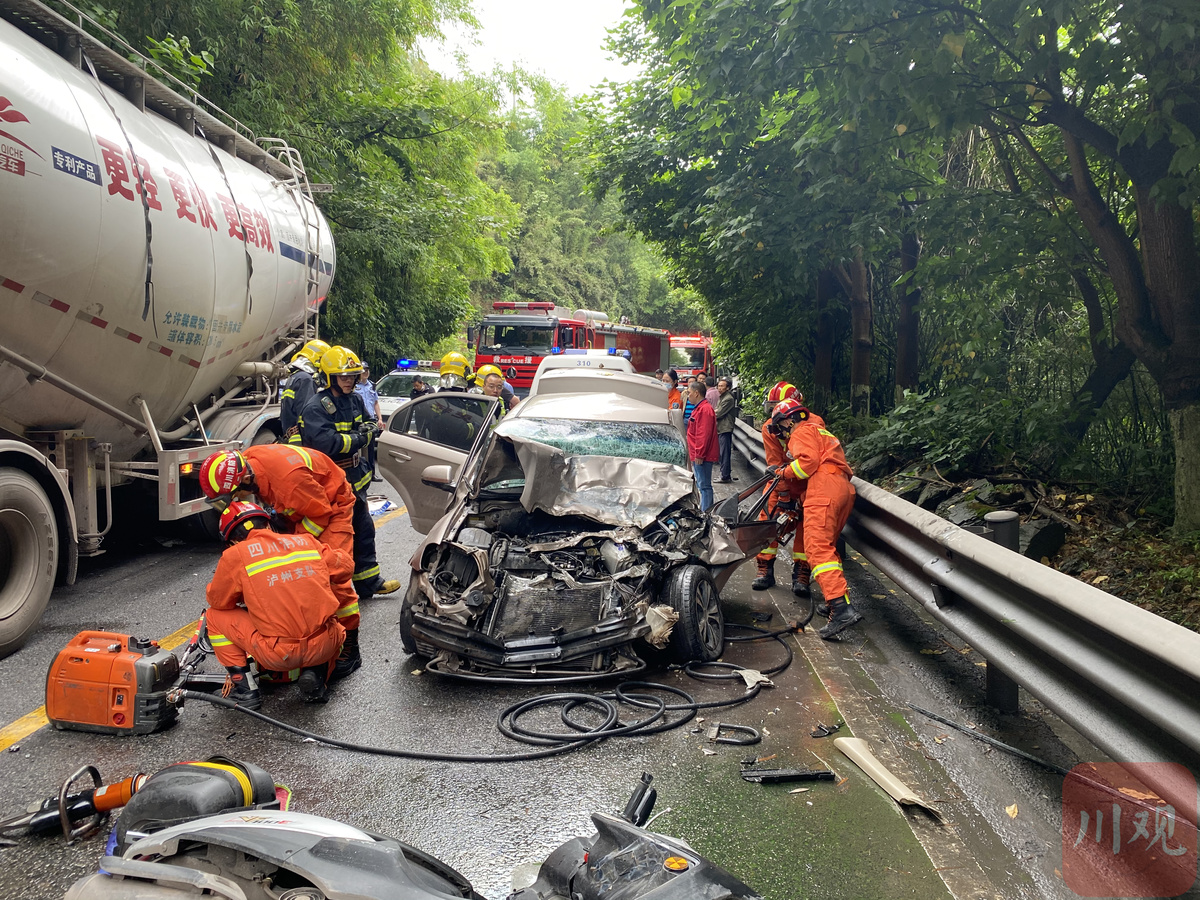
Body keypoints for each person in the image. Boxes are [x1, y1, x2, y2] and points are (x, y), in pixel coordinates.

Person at [198, 444, 364, 679]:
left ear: (244, 478)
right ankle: (314, 652)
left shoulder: (290, 481)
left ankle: (350, 649)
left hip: (331, 508)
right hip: (303, 503)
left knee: (334, 579)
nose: (234, 501)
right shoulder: (249, 461)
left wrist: (296, 548)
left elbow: (320, 514)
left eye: (235, 495)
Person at [205, 501, 354, 707]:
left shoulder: (236, 555)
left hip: (278, 654)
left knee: (213, 616)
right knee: (329, 620)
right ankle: (316, 675)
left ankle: (244, 690)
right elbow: (346, 568)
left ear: (232, 541)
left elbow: (218, 601)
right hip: (325, 645)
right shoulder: (305, 542)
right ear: (268, 525)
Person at [299, 346, 400, 601]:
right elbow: (328, 443)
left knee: (364, 530)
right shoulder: (316, 407)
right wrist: (359, 438)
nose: (349, 381)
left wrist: (364, 432)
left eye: (352, 376)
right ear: (329, 377)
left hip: (355, 480)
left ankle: (369, 583)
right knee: (335, 539)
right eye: (343, 377)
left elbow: (368, 423)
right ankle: (325, 591)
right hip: (329, 485)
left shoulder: (355, 399)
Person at [771, 396, 860, 640]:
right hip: (841, 488)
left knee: (817, 549)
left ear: (789, 421)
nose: (780, 431)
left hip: (824, 489)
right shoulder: (821, 431)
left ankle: (841, 609)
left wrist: (784, 472)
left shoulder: (800, 433)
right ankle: (836, 602)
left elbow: (807, 464)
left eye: (781, 425)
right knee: (828, 548)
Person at [753, 381, 809, 594]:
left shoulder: (813, 424)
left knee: (807, 529)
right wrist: (784, 493)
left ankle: (801, 574)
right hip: (781, 480)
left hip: (807, 484)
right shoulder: (770, 427)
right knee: (767, 522)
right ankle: (764, 569)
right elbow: (775, 463)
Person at [280, 339, 329, 445]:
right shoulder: (305, 379)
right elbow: (308, 415)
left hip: (292, 437)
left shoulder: (295, 377)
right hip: (302, 441)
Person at [686, 381, 719, 511]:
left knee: (704, 485)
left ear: (696, 393)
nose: (688, 396)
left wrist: (699, 454)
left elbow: (703, 434)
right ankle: (706, 509)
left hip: (702, 455)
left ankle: (706, 512)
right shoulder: (701, 408)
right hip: (698, 453)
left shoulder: (704, 410)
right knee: (702, 485)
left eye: (689, 393)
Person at [354, 363, 384, 482]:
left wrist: (380, 418)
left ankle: (371, 473)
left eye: (367, 370)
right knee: (358, 449)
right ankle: (359, 473)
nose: (365, 372)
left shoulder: (372, 386)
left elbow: (376, 403)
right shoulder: (354, 386)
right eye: (363, 370)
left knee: (370, 449)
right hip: (358, 421)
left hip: (370, 420)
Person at [715, 377, 738, 483]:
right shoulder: (722, 397)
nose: (719, 388)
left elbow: (718, 413)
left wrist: (712, 413)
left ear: (727, 387)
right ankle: (724, 473)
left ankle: (725, 475)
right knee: (722, 452)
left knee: (724, 453)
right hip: (721, 428)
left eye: (722, 386)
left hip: (725, 428)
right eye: (719, 386)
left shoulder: (728, 398)